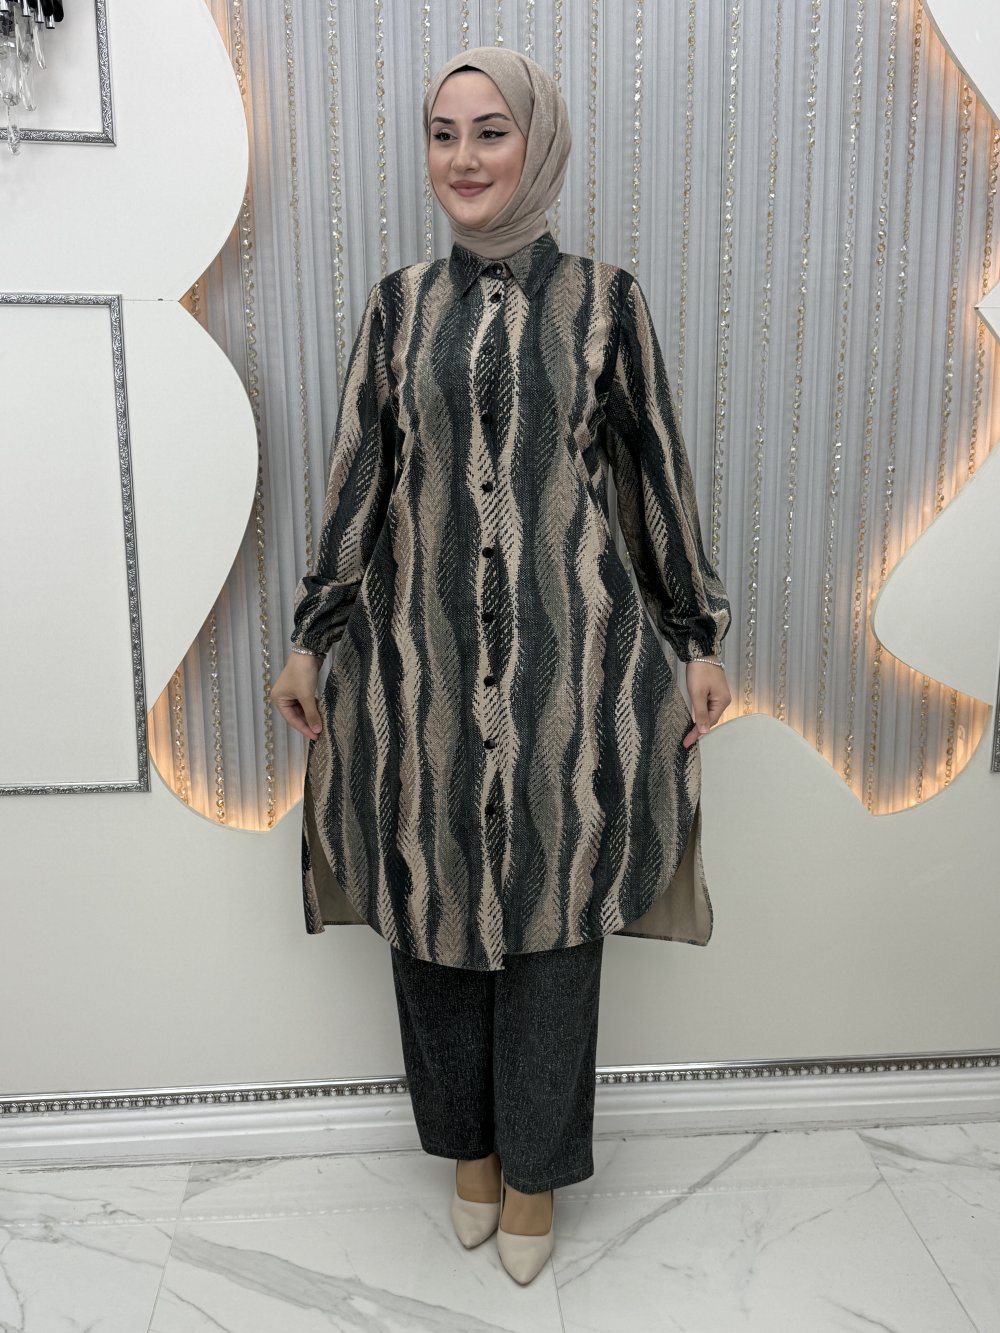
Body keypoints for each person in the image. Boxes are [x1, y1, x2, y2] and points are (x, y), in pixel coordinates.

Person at [271, 46, 732, 1286]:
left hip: (571, 673)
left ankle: (533, 1169)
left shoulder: (604, 302)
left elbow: (654, 478)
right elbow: (358, 482)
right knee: (427, 905)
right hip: (413, 666)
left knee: (555, 915)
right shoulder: (397, 307)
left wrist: (695, 637)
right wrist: (313, 634)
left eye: (490, 131)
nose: (464, 158)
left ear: (537, 144)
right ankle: (466, 1150)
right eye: (443, 133)